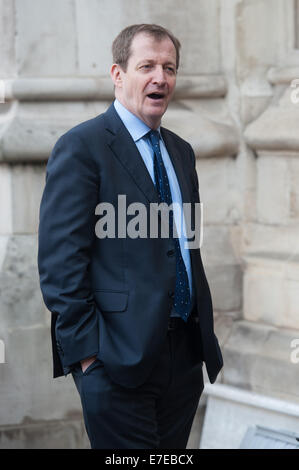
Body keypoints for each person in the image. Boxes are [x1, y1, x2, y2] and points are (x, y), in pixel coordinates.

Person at [38, 23, 223, 449]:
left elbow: (184, 248)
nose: (161, 77)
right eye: (147, 66)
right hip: (115, 361)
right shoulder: (82, 147)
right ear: (118, 75)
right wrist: (89, 357)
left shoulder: (181, 151)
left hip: (183, 360)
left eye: (169, 68)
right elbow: (60, 264)